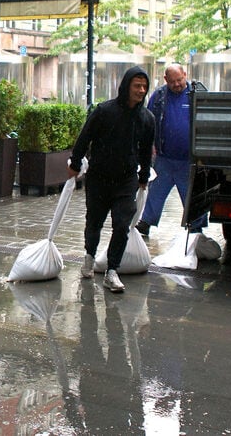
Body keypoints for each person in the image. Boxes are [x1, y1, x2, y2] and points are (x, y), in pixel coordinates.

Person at [69, 66, 155, 293]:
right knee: (94, 222)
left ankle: (112, 271)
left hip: (126, 180)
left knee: (122, 225)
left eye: (144, 87)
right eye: (137, 86)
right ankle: (89, 256)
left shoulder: (147, 118)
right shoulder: (104, 111)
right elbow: (84, 137)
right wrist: (75, 163)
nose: (141, 90)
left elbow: (146, 151)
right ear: (126, 86)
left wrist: (144, 176)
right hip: (99, 177)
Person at [136, 64, 208, 238]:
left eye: (180, 80)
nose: (177, 84)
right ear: (165, 80)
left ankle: (196, 228)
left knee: (191, 195)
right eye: (173, 81)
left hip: (189, 159)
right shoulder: (159, 96)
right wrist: (149, 144)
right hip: (164, 157)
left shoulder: (197, 94)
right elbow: (148, 120)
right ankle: (146, 222)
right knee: (155, 192)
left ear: (185, 75)